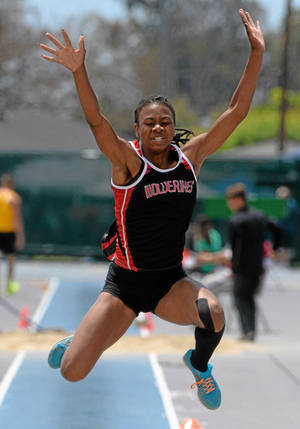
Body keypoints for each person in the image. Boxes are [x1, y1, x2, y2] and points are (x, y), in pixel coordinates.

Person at [40, 9, 265, 410]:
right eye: (149, 124)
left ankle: (198, 364)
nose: (158, 128)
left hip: (169, 283)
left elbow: (237, 111)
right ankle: (83, 338)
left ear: (173, 125)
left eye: (165, 122)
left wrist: (257, 54)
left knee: (213, 312)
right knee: (72, 371)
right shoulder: (127, 162)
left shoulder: (190, 157)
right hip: (125, 283)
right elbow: (96, 121)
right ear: (138, 129)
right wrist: (78, 71)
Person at [226, 183, 282, 341]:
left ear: (237, 200)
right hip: (258, 266)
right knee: (249, 297)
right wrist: (275, 249)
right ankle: (251, 330)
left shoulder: (235, 220)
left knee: (239, 298)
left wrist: (233, 268)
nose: (229, 204)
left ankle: (247, 331)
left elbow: (235, 248)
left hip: (242, 267)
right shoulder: (259, 216)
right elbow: (277, 229)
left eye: (230, 200)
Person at [0, 173, 25, 295]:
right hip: (9, 231)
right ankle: (9, 285)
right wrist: (20, 236)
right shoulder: (14, 198)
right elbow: (17, 218)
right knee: (10, 259)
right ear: (11, 184)